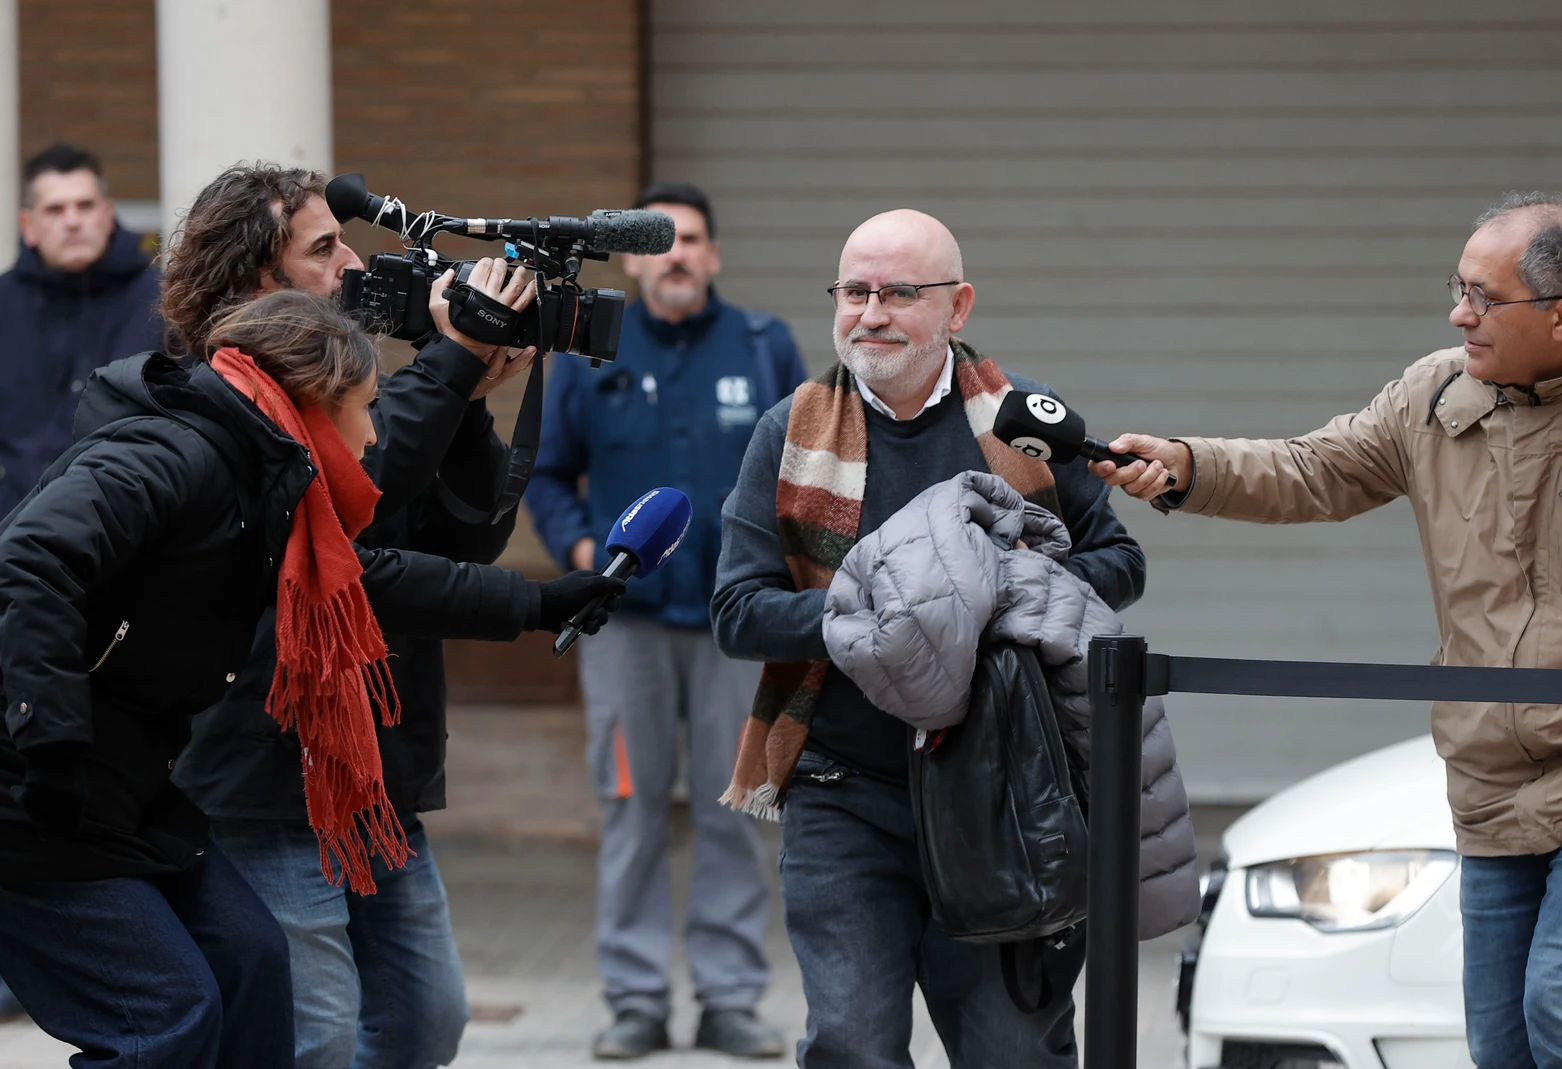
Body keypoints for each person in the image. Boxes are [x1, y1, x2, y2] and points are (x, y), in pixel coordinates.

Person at [1097, 192, 1562, 1067]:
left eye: (1484, 298)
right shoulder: (1433, 394)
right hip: (1487, 776)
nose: (1460, 314)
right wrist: (1192, 468)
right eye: (1457, 289)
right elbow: (1315, 470)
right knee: (1500, 1043)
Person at [0, 291, 625, 1068]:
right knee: (167, 1019)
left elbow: (360, 579)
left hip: (124, 786)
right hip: (32, 792)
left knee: (255, 962)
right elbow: (31, 558)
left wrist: (534, 603)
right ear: (309, 401)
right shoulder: (173, 454)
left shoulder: (258, 478)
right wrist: (50, 737)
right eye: (364, 409)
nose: (372, 436)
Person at [710, 210, 1150, 1067]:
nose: (870, 312)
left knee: (1011, 1049)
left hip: (1005, 790)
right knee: (850, 1043)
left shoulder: (1025, 423)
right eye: (853, 290)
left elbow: (1120, 562)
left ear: (958, 307)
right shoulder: (790, 431)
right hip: (842, 791)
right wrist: (886, 617)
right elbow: (738, 611)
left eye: (899, 292)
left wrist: (994, 597)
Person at [159, 163, 537, 1069]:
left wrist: (472, 401)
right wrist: (450, 361)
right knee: (316, 1032)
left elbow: (461, 541)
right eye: (324, 249)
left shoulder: (358, 389)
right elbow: (355, 483)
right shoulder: (216, 394)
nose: (351, 267)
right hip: (268, 770)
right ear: (259, 275)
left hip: (377, 773)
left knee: (426, 1018)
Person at [526, 181, 802, 1060]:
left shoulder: (762, 349)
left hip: (736, 629)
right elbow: (544, 472)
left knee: (734, 812)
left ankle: (729, 997)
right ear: (633, 257)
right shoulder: (587, 352)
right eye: (659, 241)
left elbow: (811, 474)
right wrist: (578, 560)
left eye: (690, 240)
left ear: (713, 255)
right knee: (632, 810)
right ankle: (636, 997)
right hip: (626, 631)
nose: (675, 254)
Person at [0, 143, 163, 518]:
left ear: (108, 214)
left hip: (135, 528)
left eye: (85, 206)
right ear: (29, 226)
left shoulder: (162, 301)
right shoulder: (4, 307)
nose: (72, 221)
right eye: (55, 209)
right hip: (18, 532)